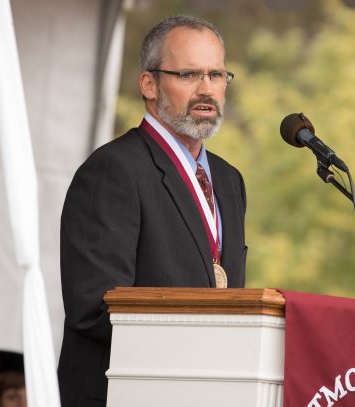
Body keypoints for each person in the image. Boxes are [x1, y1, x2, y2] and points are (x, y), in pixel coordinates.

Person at [57, 15, 247, 406]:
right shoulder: (113, 170)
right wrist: (198, 345)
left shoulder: (229, 181)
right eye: (189, 74)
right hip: (127, 393)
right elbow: (94, 308)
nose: (206, 89)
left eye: (216, 75)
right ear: (149, 84)